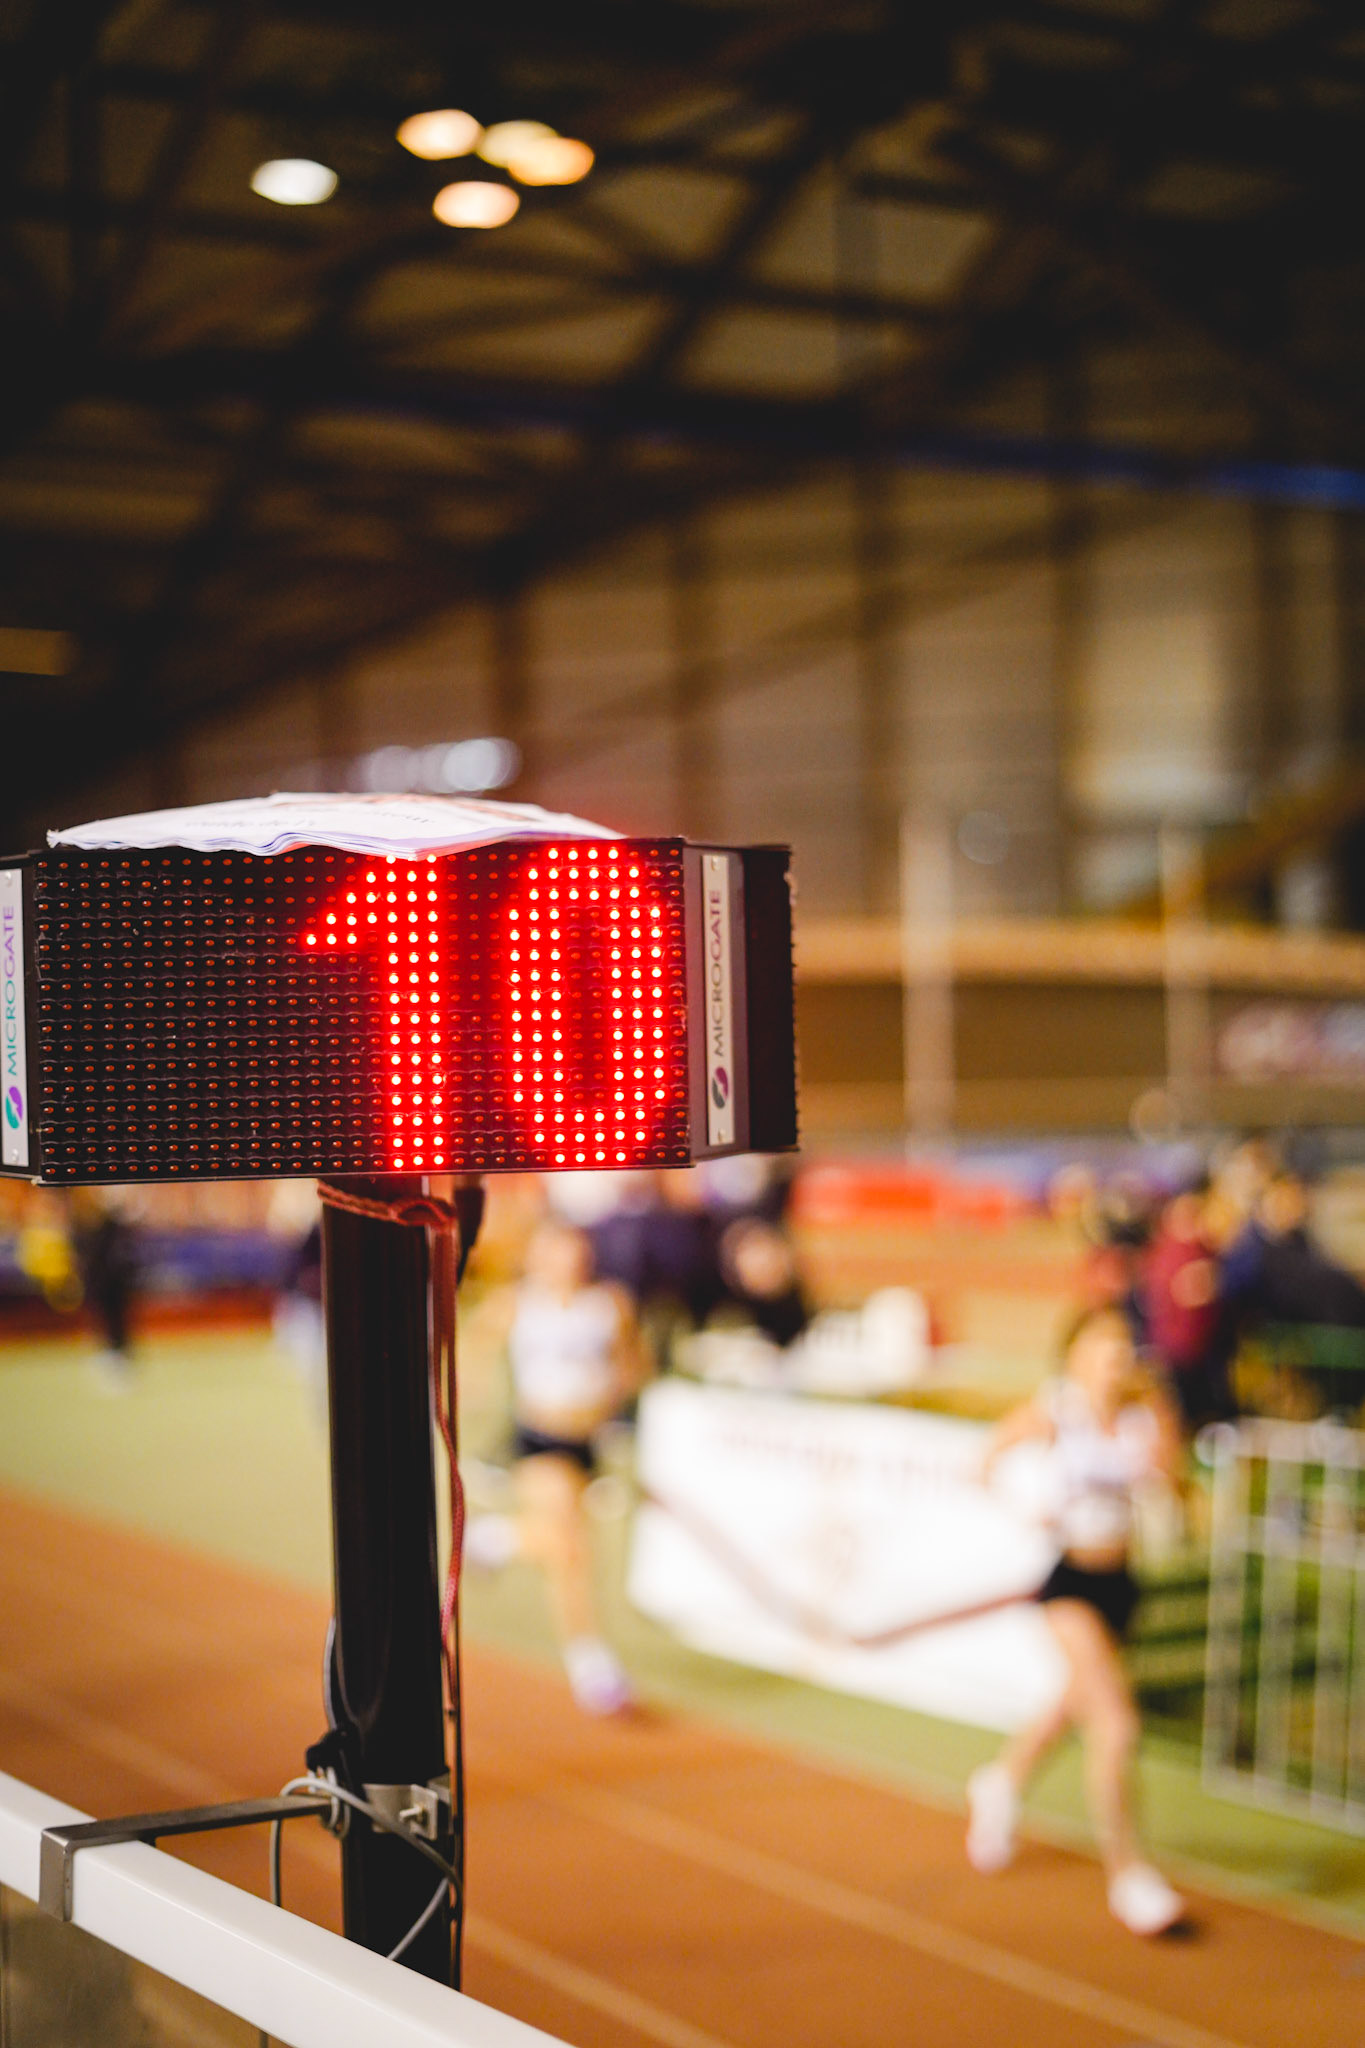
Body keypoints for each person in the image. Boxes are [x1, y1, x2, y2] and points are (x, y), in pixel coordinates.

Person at [966, 1304, 1187, 1936]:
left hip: (1123, 1583)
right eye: (1105, 1344)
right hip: (1070, 1584)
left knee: (1071, 1707)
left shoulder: (1143, 1417)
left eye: (1125, 1345)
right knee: (1115, 1724)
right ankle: (1129, 1874)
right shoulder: (1056, 1413)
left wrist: (1164, 1433)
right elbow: (983, 1464)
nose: (1118, 1355)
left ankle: (1000, 1782)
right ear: (1077, 1353)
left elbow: (1175, 1488)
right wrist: (1026, 1508)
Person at [467, 1217, 649, 1715]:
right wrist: (477, 1386)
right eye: (554, 1252)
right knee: (571, 1549)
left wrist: (613, 1400)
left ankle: (492, 1539)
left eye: (574, 1251)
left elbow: (632, 1365)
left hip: (587, 1445)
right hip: (536, 1440)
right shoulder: (517, 1303)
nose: (566, 1262)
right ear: (536, 1257)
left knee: (562, 1543)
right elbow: (472, 1345)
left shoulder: (609, 1304)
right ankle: (591, 1662)